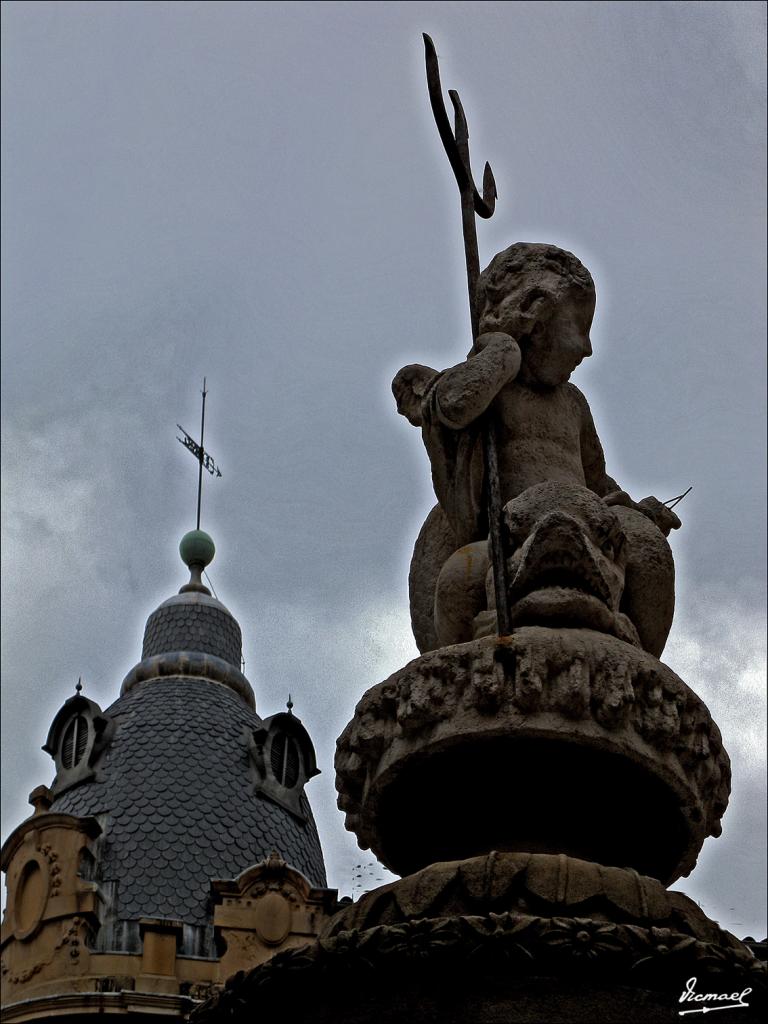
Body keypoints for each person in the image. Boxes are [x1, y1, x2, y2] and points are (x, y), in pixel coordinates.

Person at [393, 242, 680, 656]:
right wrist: (501, 353)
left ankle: (636, 660)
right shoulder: (492, 387)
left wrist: (637, 509)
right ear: (535, 313)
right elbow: (451, 406)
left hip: (586, 525)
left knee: (648, 548)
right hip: (509, 540)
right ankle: (474, 662)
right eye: (579, 327)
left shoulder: (573, 404)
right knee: (457, 580)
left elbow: (596, 481)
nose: (587, 348)